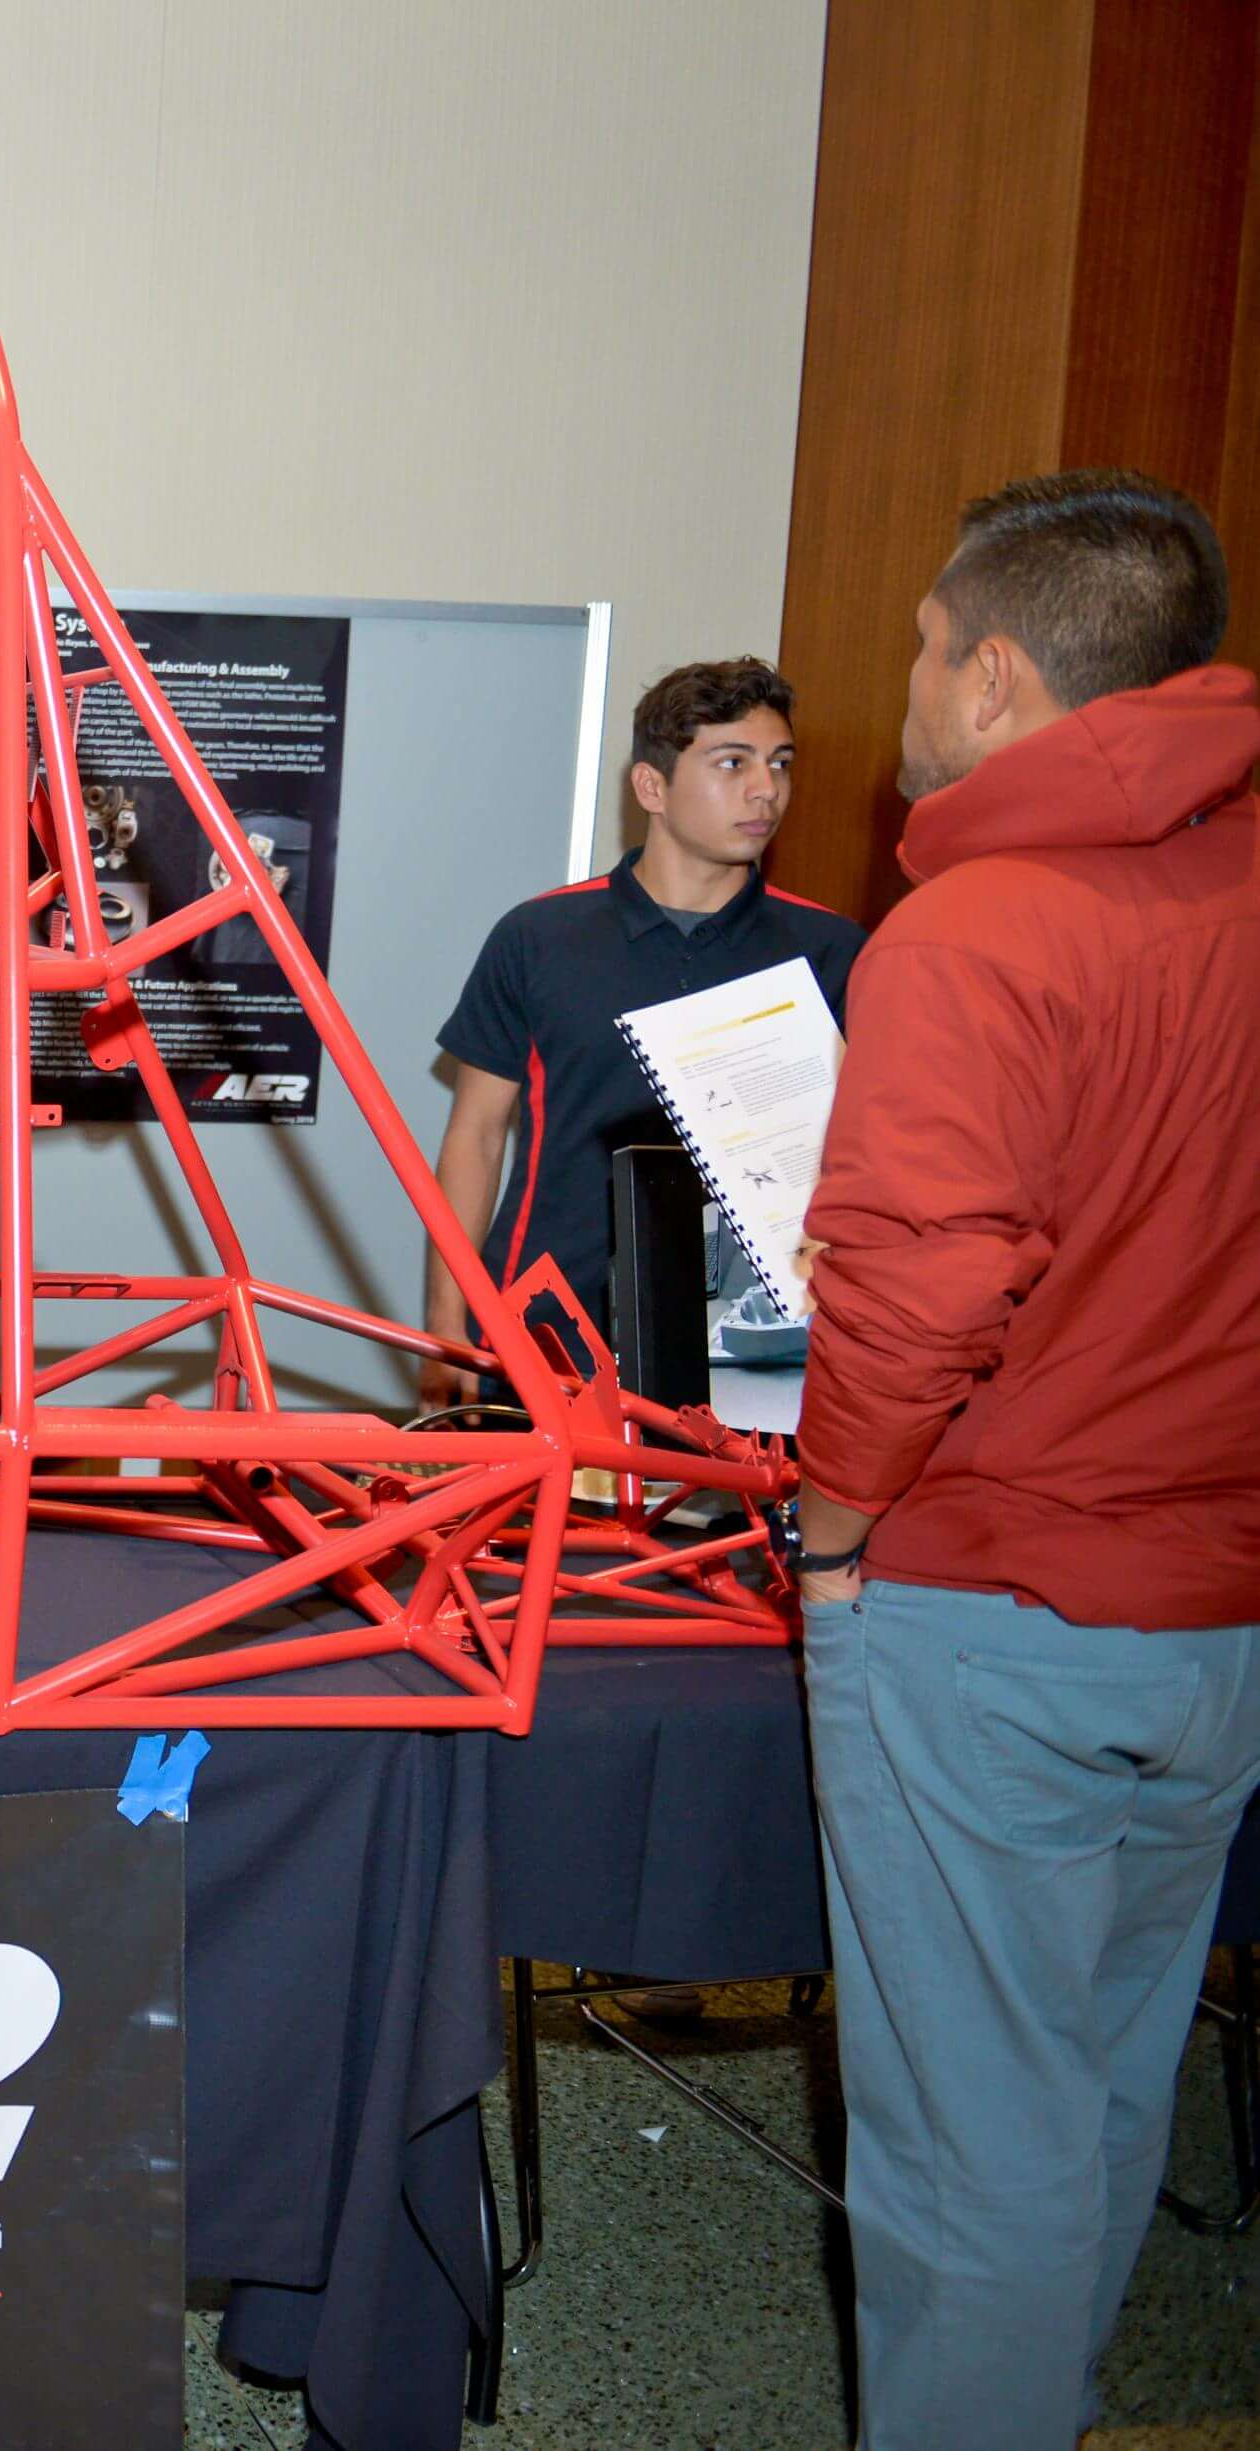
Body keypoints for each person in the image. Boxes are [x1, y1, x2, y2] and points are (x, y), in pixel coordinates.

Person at [789, 470, 1260, 2451]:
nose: (891, 682)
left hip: (980, 1612)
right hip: (1210, 1622)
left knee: (960, 2141)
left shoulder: (974, 927)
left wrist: (823, 1533)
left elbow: (909, 1294)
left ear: (991, 674)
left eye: (911, 641)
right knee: (1095, 2090)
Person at [421, 657, 863, 1408]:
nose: (766, 789)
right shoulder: (539, 935)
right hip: (543, 1327)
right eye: (733, 762)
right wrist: (444, 1325)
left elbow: (862, 1159)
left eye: (779, 763)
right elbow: (476, 1137)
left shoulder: (831, 950)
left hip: (752, 1348)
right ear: (651, 786)